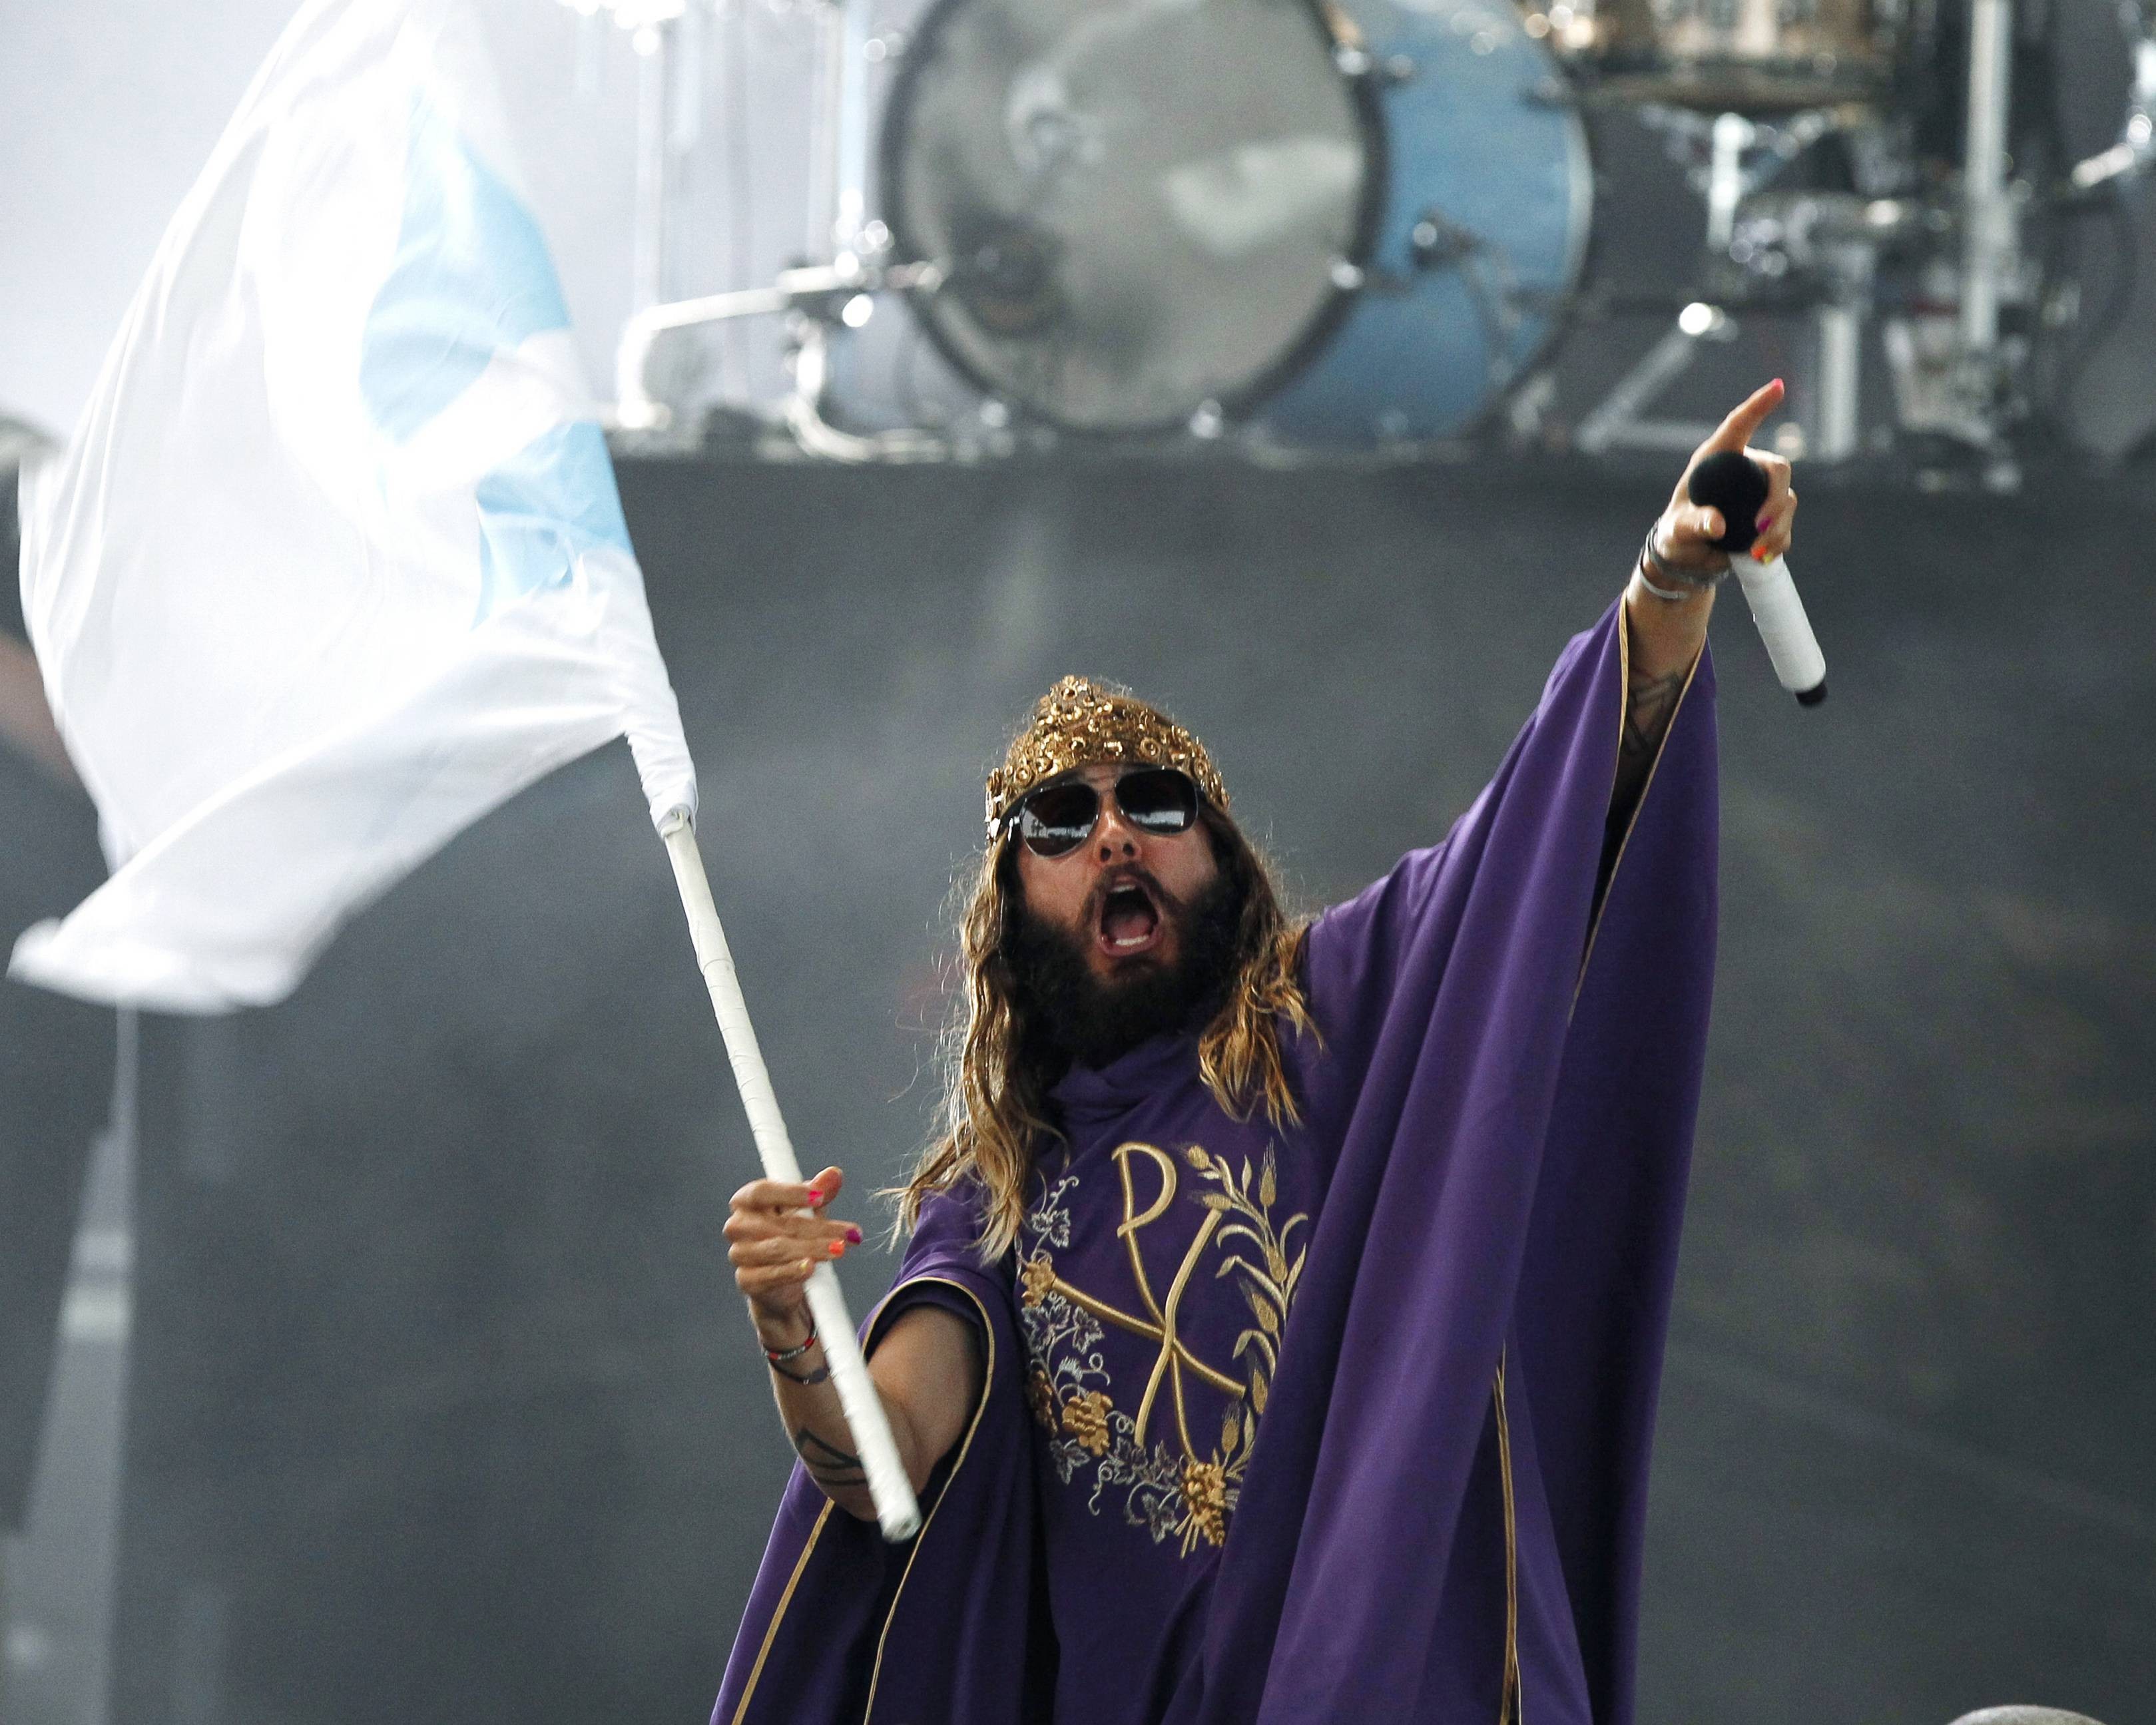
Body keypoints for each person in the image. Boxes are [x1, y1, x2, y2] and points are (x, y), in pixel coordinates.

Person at [711, 381, 1797, 1725]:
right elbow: (884, 1459)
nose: (1114, 833)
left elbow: (1540, 830)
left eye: (1154, 803)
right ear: (1008, 913)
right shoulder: (992, 1202)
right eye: (1060, 821)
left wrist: (1666, 582)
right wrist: (789, 1328)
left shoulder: (1335, 1009)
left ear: (1221, 857)